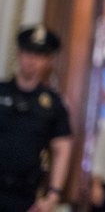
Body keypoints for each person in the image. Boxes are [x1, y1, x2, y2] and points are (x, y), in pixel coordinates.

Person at [0, 25, 72, 212]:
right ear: (19, 54)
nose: (31, 60)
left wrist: (53, 195)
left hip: (26, 196)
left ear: (48, 61)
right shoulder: (1, 91)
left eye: (39, 55)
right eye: (27, 52)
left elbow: (62, 149)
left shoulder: (53, 104)